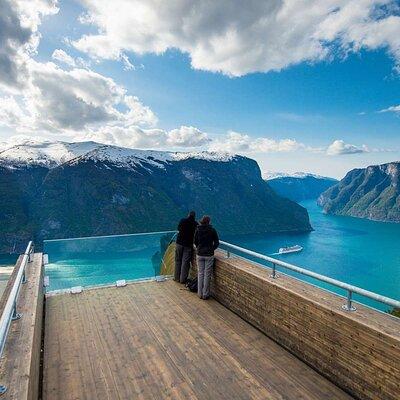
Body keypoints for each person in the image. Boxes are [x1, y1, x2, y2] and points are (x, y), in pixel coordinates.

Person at [194, 215, 219, 300]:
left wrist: (199, 248)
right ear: (209, 222)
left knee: (200, 273)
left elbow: (195, 241)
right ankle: (205, 294)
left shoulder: (198, 229)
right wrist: (212, 249)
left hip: (199, 254)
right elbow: (217, 242)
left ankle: (199, 293)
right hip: (209, 255)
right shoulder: (212, 230)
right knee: (207, 274)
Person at [175, 211, 198, 283]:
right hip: (188, 245)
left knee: (178, 260)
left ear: (188, 215)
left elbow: (178, 228)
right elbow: (196, 235)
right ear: (194, 216)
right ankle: (182, 280)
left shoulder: (182, 220)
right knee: (185, 262)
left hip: (179, 243)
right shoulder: (195, 224)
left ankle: (176, 277)